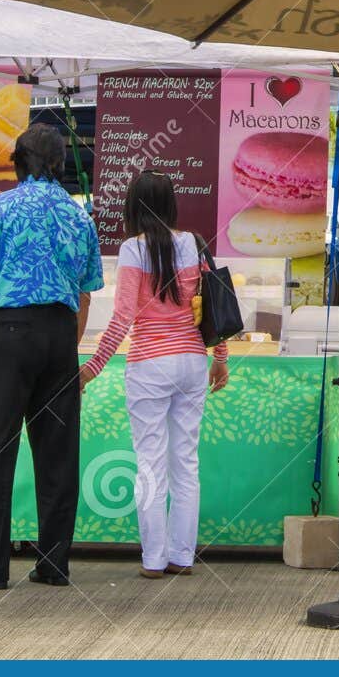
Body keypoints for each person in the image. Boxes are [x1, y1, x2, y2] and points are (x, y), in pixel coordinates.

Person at [0, 123, 102, 591]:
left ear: (17, 161)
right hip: (60, 333)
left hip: (12, 331)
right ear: (60, 164)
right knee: (58, 454)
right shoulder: (80, 217)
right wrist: (67, 342)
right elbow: (85, 295)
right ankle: (54, 562)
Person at [79, 171, 230, 578]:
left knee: (150, 463)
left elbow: (123, 316)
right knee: (186, 461)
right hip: (192, 361)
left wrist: (91, 368)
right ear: (170, 204)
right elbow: (214, 306)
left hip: (148, 364)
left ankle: (153, 559)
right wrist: (221, 357)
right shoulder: (193, 243)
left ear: (132, 206)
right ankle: (182, 556)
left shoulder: (132, 249)